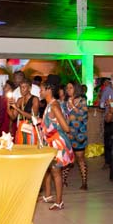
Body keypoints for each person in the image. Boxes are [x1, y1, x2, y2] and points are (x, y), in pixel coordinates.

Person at [40, 75, 74, 210]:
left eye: (42, 89)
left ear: (48, 90)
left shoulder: (54, 106)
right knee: (49, 170)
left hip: (57, 143)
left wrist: (53, 131)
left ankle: (59, 202)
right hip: (50, 142)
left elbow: (66, 127)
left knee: (56, 172)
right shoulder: (50, 104)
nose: (40, 92)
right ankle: (49, 196)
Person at [65, 82, 89, 190]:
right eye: (67, 88)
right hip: (68, 133)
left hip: (79, 134)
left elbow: (83, 116)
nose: (68, 89)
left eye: (70, 87)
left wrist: (73, 107)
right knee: (67, 158)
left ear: (76, 88)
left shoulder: (82, 101)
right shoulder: (66, 102)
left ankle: (84, 182)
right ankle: (63, 181)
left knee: (80, 158)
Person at [8, 78, 40, 145]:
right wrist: (8, 106)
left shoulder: (35, 99)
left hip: (31, 128)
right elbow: (13, 117)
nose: (22, 89)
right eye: (20, 87)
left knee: (31, 148)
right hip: (21, 128)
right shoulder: (19, 100)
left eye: (24, 87)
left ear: (29, 88)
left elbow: (33, 117)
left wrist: (17, 108)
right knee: (21, 148)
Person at [99, 74, 113, 171]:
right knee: (108, 141)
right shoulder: (107, 90)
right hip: (109, 119)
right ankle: (108, 161)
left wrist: (112, 102)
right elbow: (101, 105)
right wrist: (106, 103)